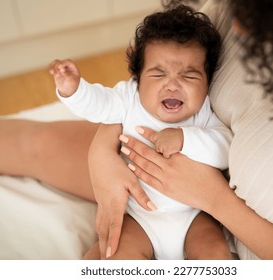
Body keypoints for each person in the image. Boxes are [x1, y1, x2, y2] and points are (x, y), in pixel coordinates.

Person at [0, 0, 273, 259]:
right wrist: (101, 153)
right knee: (32, 144)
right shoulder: (238, 11)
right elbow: (155, 70)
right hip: (140, 176)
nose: (235, 23)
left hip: (208, 214)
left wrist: (213, 198)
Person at [49, 5, 232, 260]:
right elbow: (98, 105)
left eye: (189, 76)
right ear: (138, 77)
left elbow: (225, 148)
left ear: (207, 81)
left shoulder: (204, 112)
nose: (173, 84)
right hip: (139, 218)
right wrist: (74, 89)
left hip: (194, 216)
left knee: (216, 255)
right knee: (115, 257)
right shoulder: (128, 99)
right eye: (158, 73)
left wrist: (184, 138)